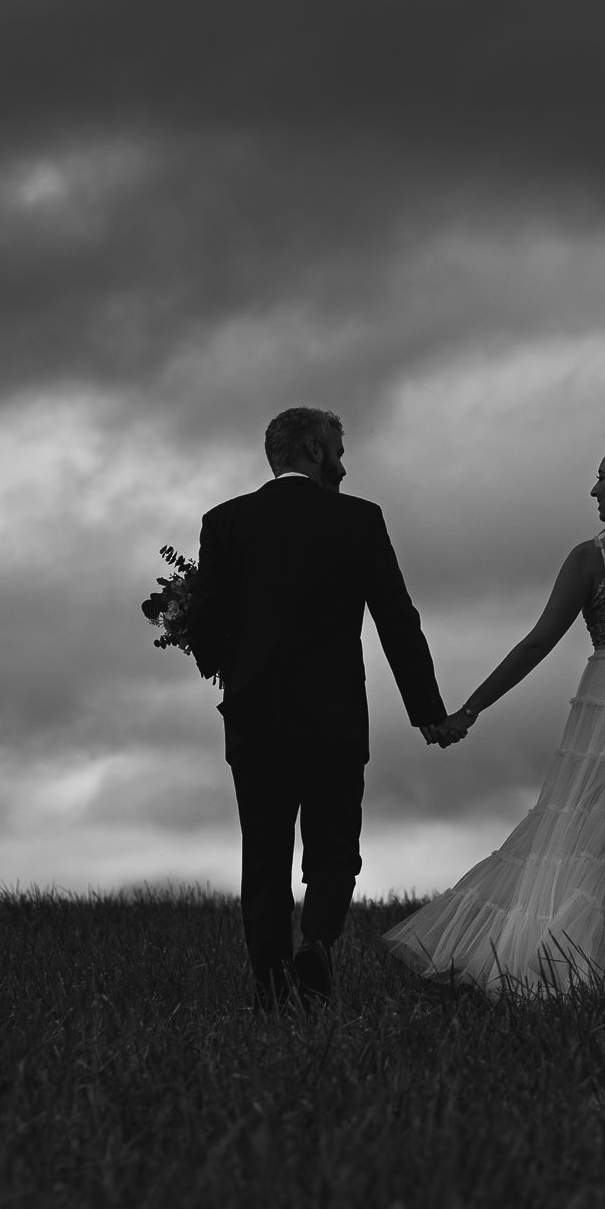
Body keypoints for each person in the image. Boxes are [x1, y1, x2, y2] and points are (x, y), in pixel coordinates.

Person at [382, 438, 605, 998]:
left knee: (591, 844)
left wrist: (469, 710)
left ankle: (563, 980)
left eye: (601, 477)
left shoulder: (590, 558)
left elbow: (537, 644)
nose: (593, 488)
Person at [187, 407, 455, 1010]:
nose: (343, 461)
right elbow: (396, 620)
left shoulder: (225, 522)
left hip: (254, 715)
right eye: (337, 447)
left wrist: (231, 659)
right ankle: (318, 943)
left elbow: (205, 624)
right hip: (332, 713)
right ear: (311, 448)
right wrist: (427, 709)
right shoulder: (358, 519)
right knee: (334, 846)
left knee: (263, 857)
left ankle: (270, 993)